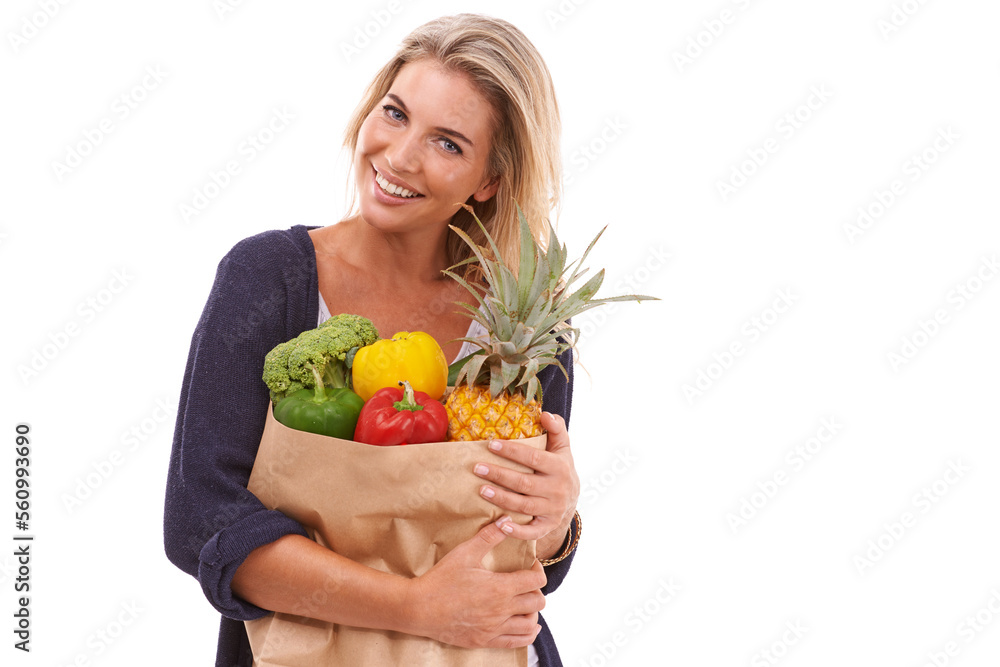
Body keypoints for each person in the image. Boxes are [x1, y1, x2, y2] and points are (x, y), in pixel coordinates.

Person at [163, 13, 581, 666]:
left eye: (448, 144)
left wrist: (557, 515)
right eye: (394, 113)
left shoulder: (521, 323)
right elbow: (201, 521)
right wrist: (415, 605)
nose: (400, 155)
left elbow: (530, 570)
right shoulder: (268, 278)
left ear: (488, 182)